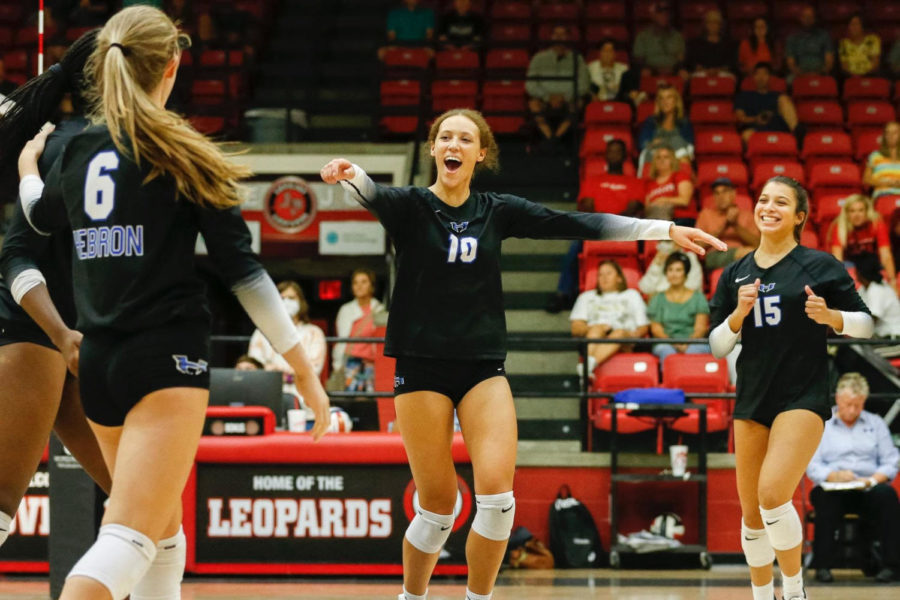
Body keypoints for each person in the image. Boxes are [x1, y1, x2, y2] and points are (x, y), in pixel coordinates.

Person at [320, 107, 725, 600]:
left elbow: (577, 222)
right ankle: (412, 596)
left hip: (482, 367)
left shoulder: (498, 210)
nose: (453, 145)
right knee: (438, 508)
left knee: (498, 502)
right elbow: (373, 194)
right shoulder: (410, 206)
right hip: (421, 367)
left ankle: (478, 598)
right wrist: (350, 173)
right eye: (445, 137)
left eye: (465, 139)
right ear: (432, 149)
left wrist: (663, 231)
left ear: (480, 154)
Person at [15, 7, 330, 600]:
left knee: (161, 530)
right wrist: (305, 370)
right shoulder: (181, 148)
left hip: (99, 366)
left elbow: (38, 214)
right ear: (172, 66)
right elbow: (245, 274)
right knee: (128, 536)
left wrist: (31, 167)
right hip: (167, 361)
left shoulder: (77, 151)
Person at [709, 175, 873, 600]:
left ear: (799, 216)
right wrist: (737, 316)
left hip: (803, 394)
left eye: (781, 202)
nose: (768, 207)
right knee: (751, 516)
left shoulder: (819, 265)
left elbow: (868, 323)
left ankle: (795, 591)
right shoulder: (735, 273)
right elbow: (716, 345)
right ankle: (763, 596)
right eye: (763, 199)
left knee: (772, 493)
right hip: (752, 395)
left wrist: (832, 317)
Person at [0, 29, 113, 557]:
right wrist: (63, 335)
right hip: (37, 331)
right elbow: (17, 257)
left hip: (82, 342)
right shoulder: (58, 147)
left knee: (144, 504)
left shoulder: (130, 150)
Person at [806, 372, 900, 583]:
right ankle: (822, 566)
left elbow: (891, 460)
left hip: (867, 487)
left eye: (858, 405)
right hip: (832, 487)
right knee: (826, 501)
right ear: (838, 399)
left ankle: (892, 566)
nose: (852, 410)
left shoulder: (875, 424)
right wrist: (833, 475)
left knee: (887, 496)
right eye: (848, 404)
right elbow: (811, 463)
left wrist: (873, 479)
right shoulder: (823, 425)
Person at [546, 140, 643, 313]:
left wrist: (610, 224)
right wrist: (600, 224)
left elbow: (633, 208)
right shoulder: (592, 180)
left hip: (625, 230)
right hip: (594, 229)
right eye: (610, 151)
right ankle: (563, 294)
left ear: (625, 156)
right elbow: (587, 206)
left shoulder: (634, 182)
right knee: (574, 247)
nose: (614, 155)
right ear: (606, 155)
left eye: (618, 151)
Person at [571, 259, 650, 377]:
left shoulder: (632, 295)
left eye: (608, 273)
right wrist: (595, 327)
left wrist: (631, 335)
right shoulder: (586, 297)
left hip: (625, 340)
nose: (604, 278)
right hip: (595, 338)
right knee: (596, 330)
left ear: (619, 278)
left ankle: (586, 367)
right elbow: (575, 329)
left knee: (619, 333)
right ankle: (589, 367)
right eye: (600, 274)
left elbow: (643, 327)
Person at [248, 279, 327, 387]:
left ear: (301, 302)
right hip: (267, 392)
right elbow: (254, 369)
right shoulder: (261, 333)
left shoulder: (314, 333)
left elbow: (313, 371)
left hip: (301, 397)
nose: (287, 302)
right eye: (282, 298)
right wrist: (292, 372)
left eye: (291, 298)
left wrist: (276, 370)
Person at [525, 24, 590, 149]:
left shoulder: (577, 58)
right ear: (551, 37)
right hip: (544, 100)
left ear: (568, 37)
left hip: (568, 100)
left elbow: (584, 84)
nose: (559, 37)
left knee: (579, 102)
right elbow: (530, 84)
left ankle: (556, 138)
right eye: (556, 34)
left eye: (563, 34)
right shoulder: (539, 58)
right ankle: (550, 137)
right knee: (533, 103)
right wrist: (547, 97)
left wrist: (565, 97)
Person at [648, 252, 710, 361]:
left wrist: (687, 344)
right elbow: (656, 329)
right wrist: (673, 343)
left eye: (678, 270)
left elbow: (700, 328)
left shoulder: (698, 297)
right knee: (667, 352)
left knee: (693, 351)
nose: (673, 274)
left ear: (685, 273)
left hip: (694, 342)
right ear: (665, 273)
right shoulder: (657, 298)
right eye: (670, 270)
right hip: (666, 343)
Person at [829, 194, 896, 289]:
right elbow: (837, 259)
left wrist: (892, 280)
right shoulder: (839, 226)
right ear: (847, 213)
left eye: (861, 210)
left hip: (872, 264)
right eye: (852, 211)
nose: (857, 215)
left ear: (867, 212)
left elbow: (885, 255)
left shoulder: (876, 223)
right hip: (850, 266)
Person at [333, 268, 384, 393]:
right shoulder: (346, 310)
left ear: (372, 285)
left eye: (364, 282)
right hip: (350, 362)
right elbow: (341, 339)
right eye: (355, 283)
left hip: (373, 364)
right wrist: (337, 364)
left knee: (370, 401)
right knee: (350, 399)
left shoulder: (380, 309)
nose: (359, 286)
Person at [696, 177, 760, 271]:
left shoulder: (747, 215)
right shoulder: (705, 214)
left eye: (725, 192)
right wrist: (724, 226)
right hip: (715, 255)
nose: (721, 197)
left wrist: (735, 225)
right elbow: (699, 245)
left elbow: (757, 243)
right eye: (717, 193)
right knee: (752, 254)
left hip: (743, 255)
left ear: (733, 194)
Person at [734, 62, 800, 143]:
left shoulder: (778, 96)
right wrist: (756, 119)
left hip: (776, 125)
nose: (761, 77)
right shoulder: (744, 96)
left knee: (784, 99)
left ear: (770, 77)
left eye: (765, 74)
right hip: (755, 127)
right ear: (753, 77)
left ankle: (797, 135)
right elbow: (740, 117)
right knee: (746, 135)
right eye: (758, 74)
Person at [637, 85, 694, 171]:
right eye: (661, 98)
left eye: (669, 97)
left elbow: (689, 149)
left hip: (677, 159)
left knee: (677, 141)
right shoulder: (651, 122)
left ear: (676, 101)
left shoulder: (684, 122)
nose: (665, 102)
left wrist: (662, 142)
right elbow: (643, 145)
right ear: (658, 102)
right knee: (675, 143)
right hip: (655, 157)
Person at [632, 1, 685, 77]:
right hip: (651, 72)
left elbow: (681, 59)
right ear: (653, 16)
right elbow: (638, 60)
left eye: (666, 14)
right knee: (643, 73)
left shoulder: (677, 36)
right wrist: (652, 69)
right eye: (660, 13)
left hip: (673, 72)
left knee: (683, 74)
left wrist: (678, 69)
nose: (664, 16)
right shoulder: (643, 37)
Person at [853, 253, 900, 338]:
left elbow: (869, 321)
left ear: (859, 272)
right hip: (879, 338)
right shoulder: (864, 289)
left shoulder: (877, 290)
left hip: (893, 339)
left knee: (846, 347)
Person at [643, 144, 694, 221]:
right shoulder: (650, 183)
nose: (662, 160)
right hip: (656, 218)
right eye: (658, 157)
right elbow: (647, 208)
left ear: (672, 160)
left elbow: (684, 201)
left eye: (666, 157)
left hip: (681, 219)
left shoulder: (681, 176)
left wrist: (662, 200)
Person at [785, 5, 834, 79]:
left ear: (815, 19)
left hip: (820, 73)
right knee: (788, 81)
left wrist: (819, 73)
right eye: (805, 17)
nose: (808, 19)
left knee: (831, 82)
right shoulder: (793, 39)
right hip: (799, 74)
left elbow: (829, 62)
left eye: (810, 17)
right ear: (800, 18)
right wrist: (802, 74)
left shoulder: (824, 36)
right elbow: (791, 64)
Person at [639, 239, 703, 295]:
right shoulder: (659, 259)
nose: (663, 244)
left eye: (668, 241)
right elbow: (645, 288)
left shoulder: (690, 257)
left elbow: (693, 285)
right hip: (661, 304)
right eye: (661, 241)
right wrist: (656, 265)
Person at [685, 9, 736, 76]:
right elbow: (691, 62)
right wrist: (704, 70)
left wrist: (717, 70)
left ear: (720, 25)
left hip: (722, 74)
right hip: (702, 73)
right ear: (705, 24)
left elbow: (731, 64)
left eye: (715, 22)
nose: (712, 25)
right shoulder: (695, 43)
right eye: (709, 22)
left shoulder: (729, 43)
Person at [863, 121, 900, 201]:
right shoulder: (875, 156)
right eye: (888, 133)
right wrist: (887, 183)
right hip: (883, 195)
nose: (891, 136)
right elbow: (866, 179)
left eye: (895, 133)